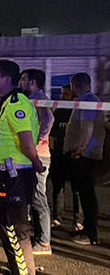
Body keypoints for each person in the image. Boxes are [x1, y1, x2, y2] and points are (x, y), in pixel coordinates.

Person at [0, 60, 44, 275]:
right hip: (6, 175)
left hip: (15, 176)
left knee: (17, 231)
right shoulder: (8, 102)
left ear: (7, 79)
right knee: (6, 229)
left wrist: (37, 163)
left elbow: (26, 141)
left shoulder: (17, 102)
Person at [65, 73, 105, 246]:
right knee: (84, 194)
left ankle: (90, 233)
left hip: (86, 156)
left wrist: (78, 150)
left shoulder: (88, 102)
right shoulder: (89, 100)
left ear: (74, 85)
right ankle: (87, 230)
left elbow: (86, 129)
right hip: (86, 154)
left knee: (88, 195)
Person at [18, 69, 54, 256]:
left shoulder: (39, 99)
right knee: (34, 196)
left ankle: (44, 242)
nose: (20, 82)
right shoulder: (34, 98)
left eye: (23, 79)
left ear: (32, 82)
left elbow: (49, 119)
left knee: (39, 198)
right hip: (34, 155)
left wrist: (39, 139)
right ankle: (39, 236)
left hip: (38, 155)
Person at [49, 85, 82, 230]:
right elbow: (52, 132)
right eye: (62, 93)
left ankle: (78, 220)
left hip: (74, 156)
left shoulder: (79, 111)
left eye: (66, 93)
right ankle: (57, 217)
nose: (63, 96)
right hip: (59, 155)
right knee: (58, 187)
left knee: (77, 190)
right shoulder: (60, 112)